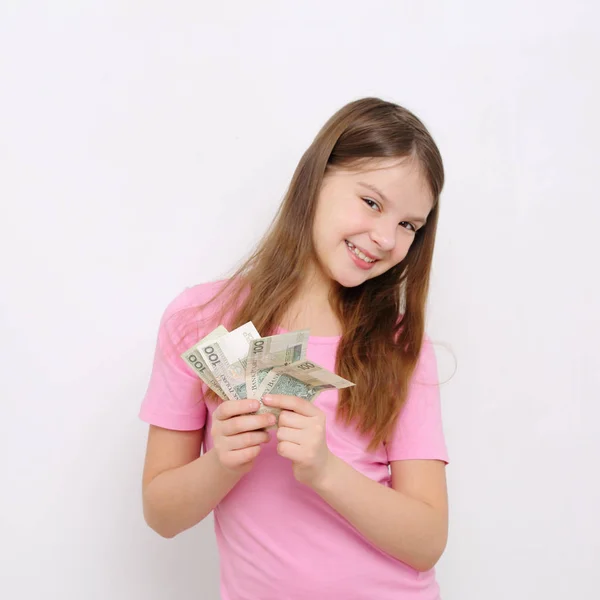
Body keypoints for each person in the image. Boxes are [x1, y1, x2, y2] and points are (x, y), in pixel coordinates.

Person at [139, 96, 449, 600]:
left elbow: (427, 541)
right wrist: (223, 462)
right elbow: (161, 513)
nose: (385, 238)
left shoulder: (400, 346)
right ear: (315, 179)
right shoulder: (199, 320)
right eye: (371, 202)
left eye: (409, 225)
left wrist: (326, 471)